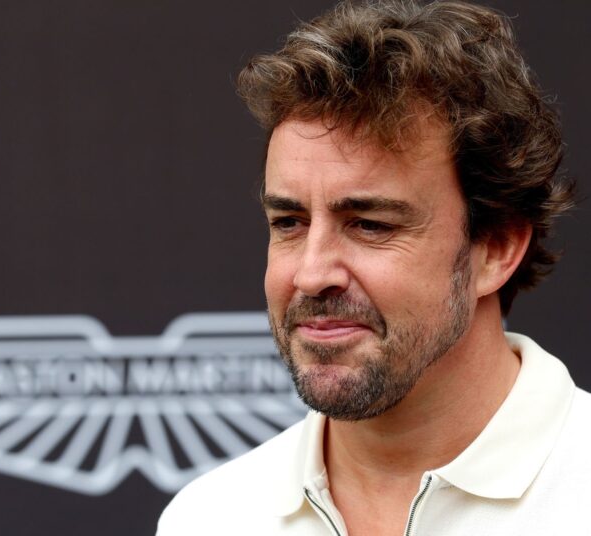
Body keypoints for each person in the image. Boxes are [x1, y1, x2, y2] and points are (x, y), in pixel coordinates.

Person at [157, 1, 588, 534]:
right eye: (289, 222)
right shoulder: (209, 518)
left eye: (370, 224)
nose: (311, 275)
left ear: (495, 249)